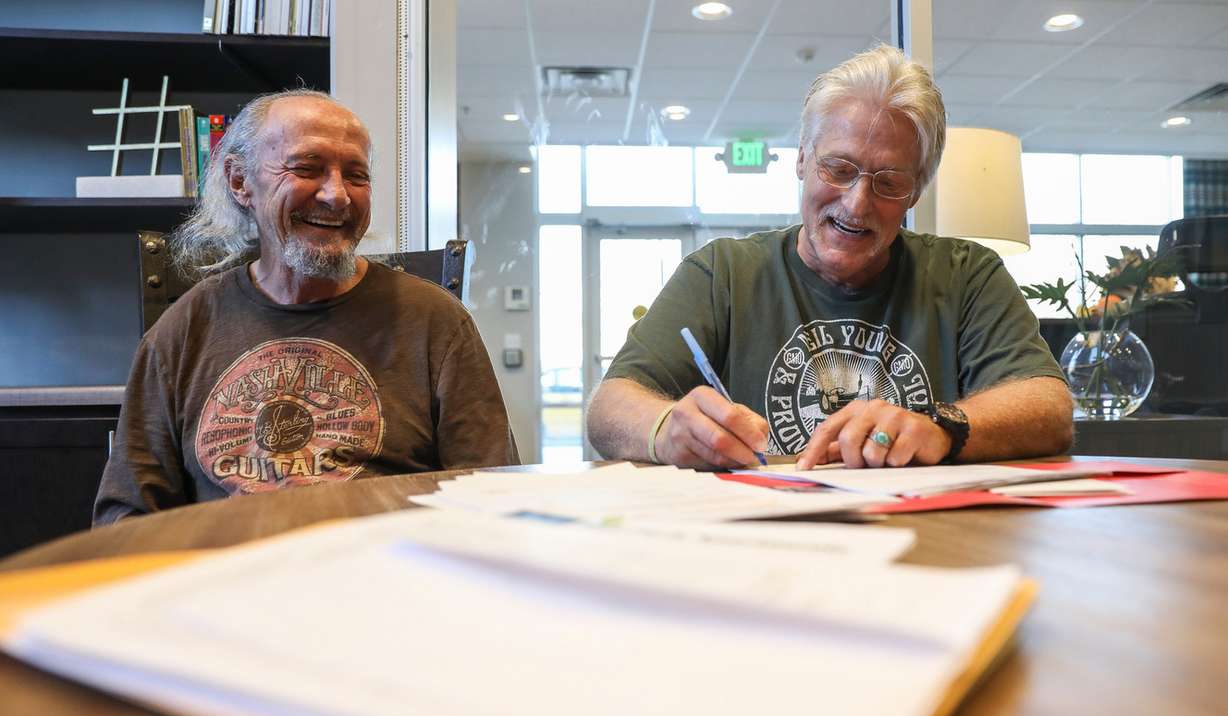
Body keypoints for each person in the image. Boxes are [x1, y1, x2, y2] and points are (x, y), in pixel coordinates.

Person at [588, 45, 1073, 470]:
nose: (857, 203)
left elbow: (1048, 407)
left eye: (889, 182)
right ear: (802, 158)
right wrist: (666, 427)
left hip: (923, 536)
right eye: (838, 168)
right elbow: (609, 407)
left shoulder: (968, 275)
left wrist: (942, 426)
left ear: (917, 191)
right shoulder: (722, 273)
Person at [95, 90, 517, 524]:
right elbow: (125, 515)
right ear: (240, 182)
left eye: (356, 175)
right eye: (306, 168)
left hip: (383, 578)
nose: (338, 196)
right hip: (233, 580)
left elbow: (492, 498)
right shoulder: (184, 330)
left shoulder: (436, 323)